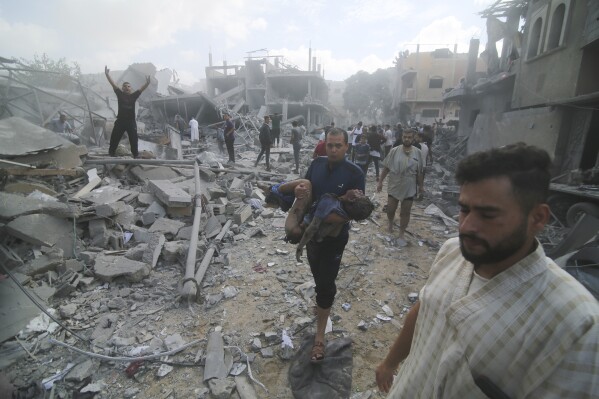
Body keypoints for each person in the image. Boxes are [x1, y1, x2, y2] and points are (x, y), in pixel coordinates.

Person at [375, 143, 599, 398]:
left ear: (538, 218)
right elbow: (426, 308)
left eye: (488, 214)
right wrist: (390, 363)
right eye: (464, 210)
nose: (467, 226)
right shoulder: (452, 251)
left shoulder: (576, 324)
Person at [297, 128, 365, 363]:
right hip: (311, 235)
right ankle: (322, 304)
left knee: (326, 284)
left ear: (347, 147)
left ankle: (319, 338)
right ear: (325, 146)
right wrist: (298, 194)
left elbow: (356, 212)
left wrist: (325, 217)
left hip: (335, 238)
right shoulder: (316, 165)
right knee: (317, 276)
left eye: (338, 145)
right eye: (330, 145)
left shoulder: (355, 173)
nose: (334, 149)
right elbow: (306, 192)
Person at [259, 179, 374, 263]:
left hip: (294, 229)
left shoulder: (329, 203)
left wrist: (300, 248)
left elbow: (312, 228)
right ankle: (278, 198)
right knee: (301, 192)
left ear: (351, 199)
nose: (359, 190)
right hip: (306, 227)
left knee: (305, 183)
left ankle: (273, 190)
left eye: (359, 194)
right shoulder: (344, 216)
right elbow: (321, 234)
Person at [377, 129, 424, 242]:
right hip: (395, 183)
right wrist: (380, 181)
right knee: (391, 209)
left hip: (409, 185)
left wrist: (421, 187)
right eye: (405, 137)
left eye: (409, 137)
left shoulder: (418, 152)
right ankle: (390, 223)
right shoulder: (394, 151)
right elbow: (387, 167)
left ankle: (401, 232)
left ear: (413, 138)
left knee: (405, 211)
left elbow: (419, 172)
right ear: (402, 137)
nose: (407, 139)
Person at [105, 66, 150, 158]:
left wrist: (147, 83)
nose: (127, 88)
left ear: (131, 89)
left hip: (131, 122)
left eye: (128, 86)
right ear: (122, 88)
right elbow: (113, 84)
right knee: (114, 138)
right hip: (120, 121)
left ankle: (135, 155)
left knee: (134, 139)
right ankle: (111, 153)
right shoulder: (119, 94)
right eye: (125, 86)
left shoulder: (134, 96)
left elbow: (141, 88)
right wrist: (107, 74)